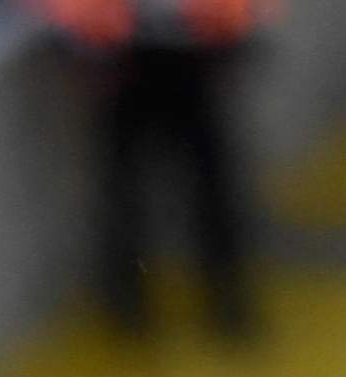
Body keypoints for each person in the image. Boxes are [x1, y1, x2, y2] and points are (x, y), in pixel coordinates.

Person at [43, 0, 262, 350]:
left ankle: (222, 300)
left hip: (184, 50)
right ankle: (135, 307)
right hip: (128, 54)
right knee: (133, 189)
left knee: (205, 186)